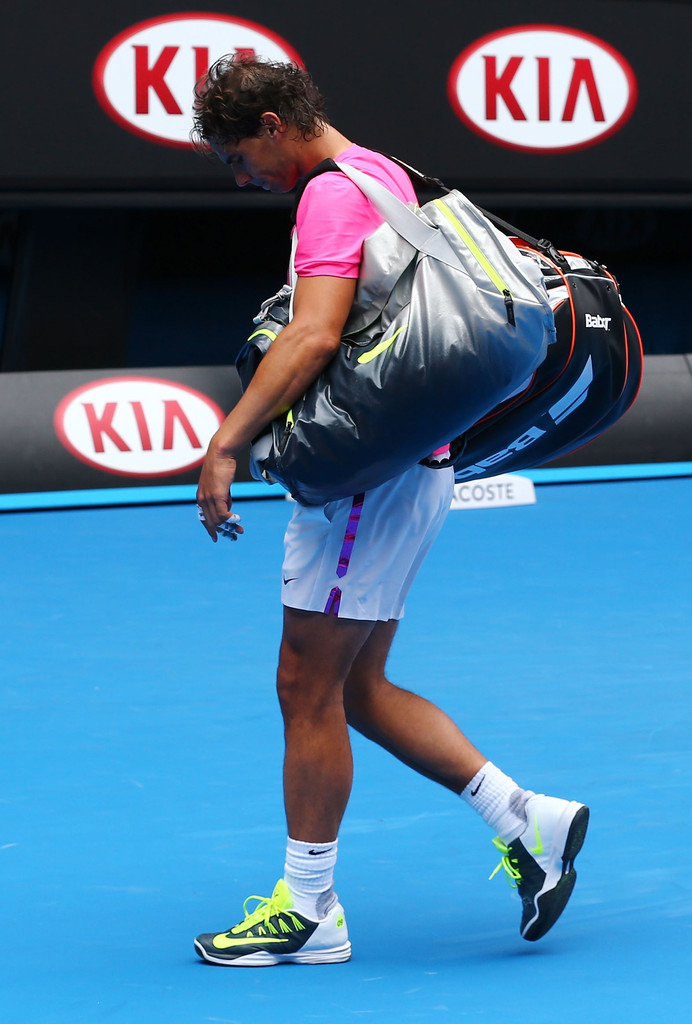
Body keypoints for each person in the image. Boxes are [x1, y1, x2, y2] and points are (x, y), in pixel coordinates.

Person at [191, 56, 589, 967]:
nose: (241, 176)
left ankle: (309, 910)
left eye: (236, 157)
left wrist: (227, 442)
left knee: (306, 685)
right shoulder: (388, 172)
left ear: (271, 126)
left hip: (369, 482)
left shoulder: (330, 196)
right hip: (414, 467)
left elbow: (315, 333)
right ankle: (529, 819)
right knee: (356, 689)